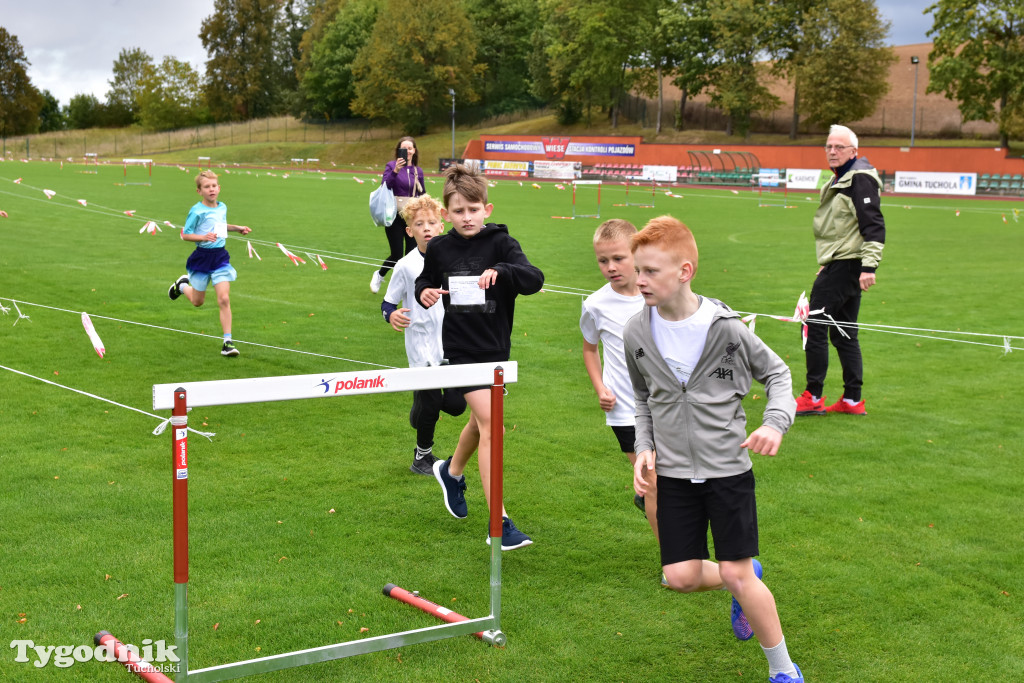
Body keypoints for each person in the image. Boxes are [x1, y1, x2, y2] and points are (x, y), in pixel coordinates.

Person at [624, 216, 803, 683]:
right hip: (675, 476)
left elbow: (779, 375)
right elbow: (642, 400)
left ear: (684, 271)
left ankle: (783, 670)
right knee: (679, 577)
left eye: (650, 271)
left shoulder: (727, 329)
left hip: (727, 472)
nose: (638, 280)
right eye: (636, 269)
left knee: (738, 574)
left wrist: (775, 423)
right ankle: (742, 576)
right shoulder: (635, 332)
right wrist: (644, 447)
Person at [415, 163, 544, 551]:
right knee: (493, 425)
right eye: (458, 211)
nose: (466, 217)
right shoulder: (439, 247)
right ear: (446, 213)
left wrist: (502, 272)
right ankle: (499, 522)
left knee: (479, 421)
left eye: (473, 209)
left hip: (496, 351)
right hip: (460, 352)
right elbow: (426, 279)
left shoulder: (502, 244)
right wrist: (425, 292)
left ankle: (451, 472)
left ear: (486, 209)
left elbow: (533, 278)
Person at [796, 124, 886, 417]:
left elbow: (873, 224)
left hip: (850, 264)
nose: (833, 151)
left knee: (814, 324)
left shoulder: (858, 179)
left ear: (853, 151)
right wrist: (828, 266)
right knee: (844, 332)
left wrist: (869, 266)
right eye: (829, 147)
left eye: (839, 147)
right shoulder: (843, 178)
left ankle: (813, 396)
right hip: (842, 264)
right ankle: (851, 400)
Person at [580, 219, 659, 545]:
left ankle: (645, 498)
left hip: (666, 406)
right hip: (626, 411)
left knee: (671, 481)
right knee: (657, 484)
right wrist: (601, 388)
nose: (610, 267)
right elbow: (589, 348)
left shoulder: (659, 293)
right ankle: (673, 562)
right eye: (603, 260)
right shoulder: (595, 304)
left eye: (619, 258)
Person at [381, 195, 467, 475]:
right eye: (420, 224)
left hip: (453, 343)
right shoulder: (406, 266)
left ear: (442, 225)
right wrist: (390, 314)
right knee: (430, 404)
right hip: (421, 346)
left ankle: (420, 406)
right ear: (410, 231)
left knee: (455, 406)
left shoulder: (455, 259)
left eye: (432, 222)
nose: (427, 228)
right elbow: (388, 302)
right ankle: (422, 457)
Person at [168, 170, 252, 357]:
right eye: (207, 187)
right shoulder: (196, 211)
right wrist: (203, 237)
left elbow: (221, 226)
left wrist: (237, 228)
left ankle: (227, 342)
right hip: (201, 258)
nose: (211, 189)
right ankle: (182, 287)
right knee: (198, 302)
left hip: (220, 258)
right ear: (199, 191)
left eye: (214, 186)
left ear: (219, 188)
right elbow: (185, 234)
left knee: (224, 299)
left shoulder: (222, 207)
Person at [370, 136, 424, 294]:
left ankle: (406, 287)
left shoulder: (417, 170)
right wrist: (395, 171)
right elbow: (385, 185)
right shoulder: (391, 165)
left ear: (414, 151)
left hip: (412, 217)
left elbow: (422, 193)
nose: (407, 151)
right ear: (398, 150)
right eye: (404, 148)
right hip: (394, 215)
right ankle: (379, 275)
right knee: (397, 254)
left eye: (410, 148)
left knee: (411, 254)